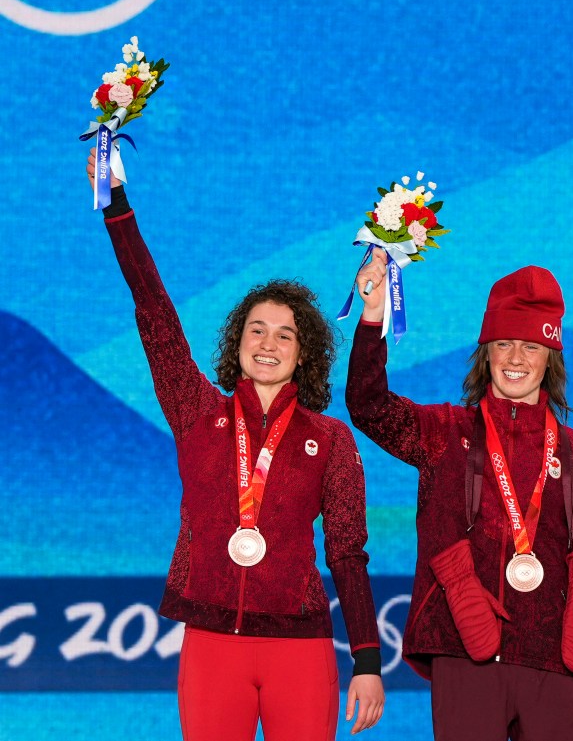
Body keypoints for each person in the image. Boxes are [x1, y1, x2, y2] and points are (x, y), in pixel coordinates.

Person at [86, 151, 385, 740]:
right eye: (256, 329)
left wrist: (368, 662)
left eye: (285, 335)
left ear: (306, 353)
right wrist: (116, 204)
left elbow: (348, 555)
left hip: (299, 648)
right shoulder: (197, 413)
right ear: (237, 341)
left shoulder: (331, 441)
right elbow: (155, 314)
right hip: (211, 645)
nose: (268, 344)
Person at [346, 255, 573, 741]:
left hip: (557, 662)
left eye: (531, 346)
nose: (516, 359)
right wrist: (373, 319)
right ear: (486, 353)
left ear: (551, 357)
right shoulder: (443, 433)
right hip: (465, 651)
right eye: (503, 344)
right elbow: (368, 406)